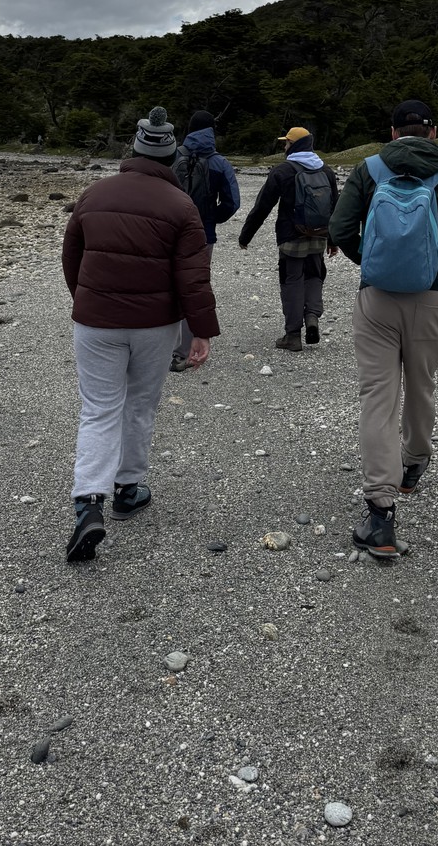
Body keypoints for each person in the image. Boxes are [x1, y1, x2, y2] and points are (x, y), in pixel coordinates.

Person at [61, 105, 218, 563]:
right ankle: (128, 488)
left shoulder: (94, 194)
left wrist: (86, 300)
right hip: (156, 325)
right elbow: (193, 278)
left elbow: (72, 259)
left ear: (132, 150)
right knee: (140, 404)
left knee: (98, 409)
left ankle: (88, 503)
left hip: (96, 321)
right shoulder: (181, 206)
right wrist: (201, 332)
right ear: (171, 159)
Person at [328, 100, 438, 558]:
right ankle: (413, 465)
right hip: (430, 300)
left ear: (393, 132)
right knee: (422, 385)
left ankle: (380, 514)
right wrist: (435, 268)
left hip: (376, 300)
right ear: (433, 132)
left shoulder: (369, 169)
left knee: (378, 397)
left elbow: (338, 227)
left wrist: (370, 265)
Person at [237, 126, 339, 352]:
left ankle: (293, 335)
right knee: (314, 275)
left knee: (291, 280)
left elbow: (263, 206)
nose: (284, 146)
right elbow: (335, 207)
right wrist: (333, 240)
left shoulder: (283, 171)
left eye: (287, 143)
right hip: (319, 236)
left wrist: (246, 236)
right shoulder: (326, 170)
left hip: (291, 237)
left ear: (295, 145)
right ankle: (312, 316)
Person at [169, 109, 241, 372]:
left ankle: (160, 347)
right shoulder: (219, 162)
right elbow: (233, 202)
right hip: (202, 236)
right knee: (194, 287)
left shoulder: (173, 155)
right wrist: (211, 219)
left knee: (167, 286)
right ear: (211, 131)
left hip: (169, 233)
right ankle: (185, 352)